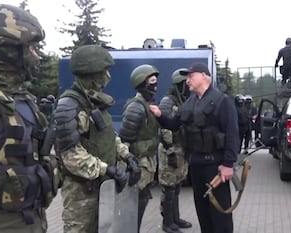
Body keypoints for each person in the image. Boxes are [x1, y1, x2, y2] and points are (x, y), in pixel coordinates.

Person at [0, 4, 60, 233]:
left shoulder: (22, 99)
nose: (37, 55)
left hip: (32, 222)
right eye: (31, 47)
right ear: (8, 50)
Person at [54, 45, 140, 233]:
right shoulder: (69, 106)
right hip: (81, 195)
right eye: (105, 71)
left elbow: (109, 137)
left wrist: (128, 156)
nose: (108, 76)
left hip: (104, 189)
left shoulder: (96, 102)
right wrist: (107, 169)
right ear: (92, 73)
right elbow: (70, 155)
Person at [150, 62, 240, 233]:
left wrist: (228, 164)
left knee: (220, 214)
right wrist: (160, 116)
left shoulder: (222, 101)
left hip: (216, 167)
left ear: (204, 76)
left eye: (191, 76)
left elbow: (232, 134)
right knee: (203, 211)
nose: (188, 80)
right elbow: (175, 124)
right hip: (196, 165)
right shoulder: (190, 102)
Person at [119, 64, 160, 233]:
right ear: (142, 83)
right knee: (134, 203)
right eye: (151, 81)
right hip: (138, 164)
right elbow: (124, 141)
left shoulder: (148, 105)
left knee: (142, 200)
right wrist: (127, 166)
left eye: (156, 81)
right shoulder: (136, 107)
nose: (155, 85)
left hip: (148, 163)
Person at [158, 68, 192, 233]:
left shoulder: (182, 100)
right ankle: (167, 223)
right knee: (169, 188)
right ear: (179, 84)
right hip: (169, 150)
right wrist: (170, 151)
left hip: (180, 149)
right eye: (185, 83)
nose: (189, 86)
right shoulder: (168, 101)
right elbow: (164, 128)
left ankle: (176, 219)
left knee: (177, 186)